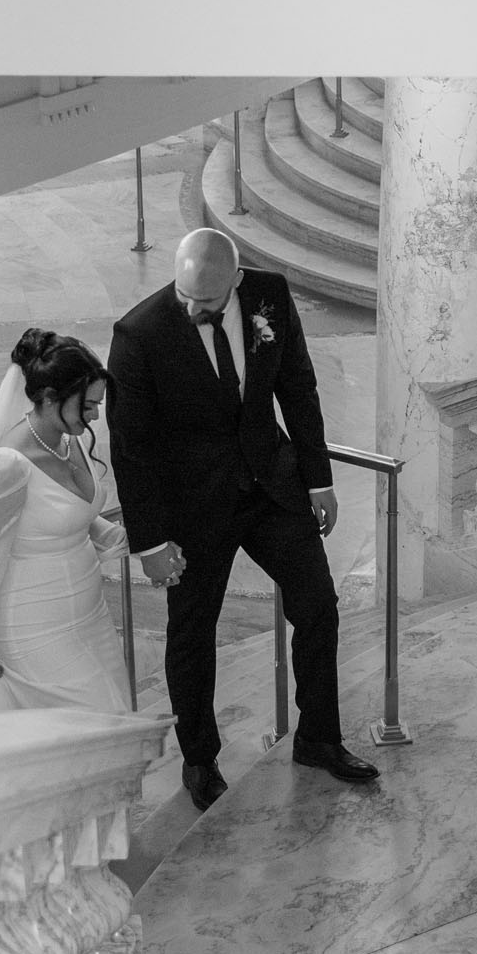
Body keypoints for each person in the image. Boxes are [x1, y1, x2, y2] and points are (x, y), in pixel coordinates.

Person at [108, 227, 378, 810]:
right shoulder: (139, 334)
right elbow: (131, 446)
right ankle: (200, 761)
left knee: (318, 606)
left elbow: (298, 386)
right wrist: (150, 542)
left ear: (235, 279)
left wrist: (318, 477)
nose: (193, 308)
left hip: (271, 487)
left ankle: (318, 738)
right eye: (185, 296)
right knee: (192, 632)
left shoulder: (269, 296)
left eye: (206, 300)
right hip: (194, 506)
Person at [0, 329, 132, 715]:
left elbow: (64, 514)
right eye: (87, 406)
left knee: (115, 711)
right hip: (33, 626)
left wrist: (123, 536)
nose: (96, 416)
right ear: (49, 399)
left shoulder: (69, 438)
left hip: (90, 613)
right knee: (94, 725)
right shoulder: (6, 464)